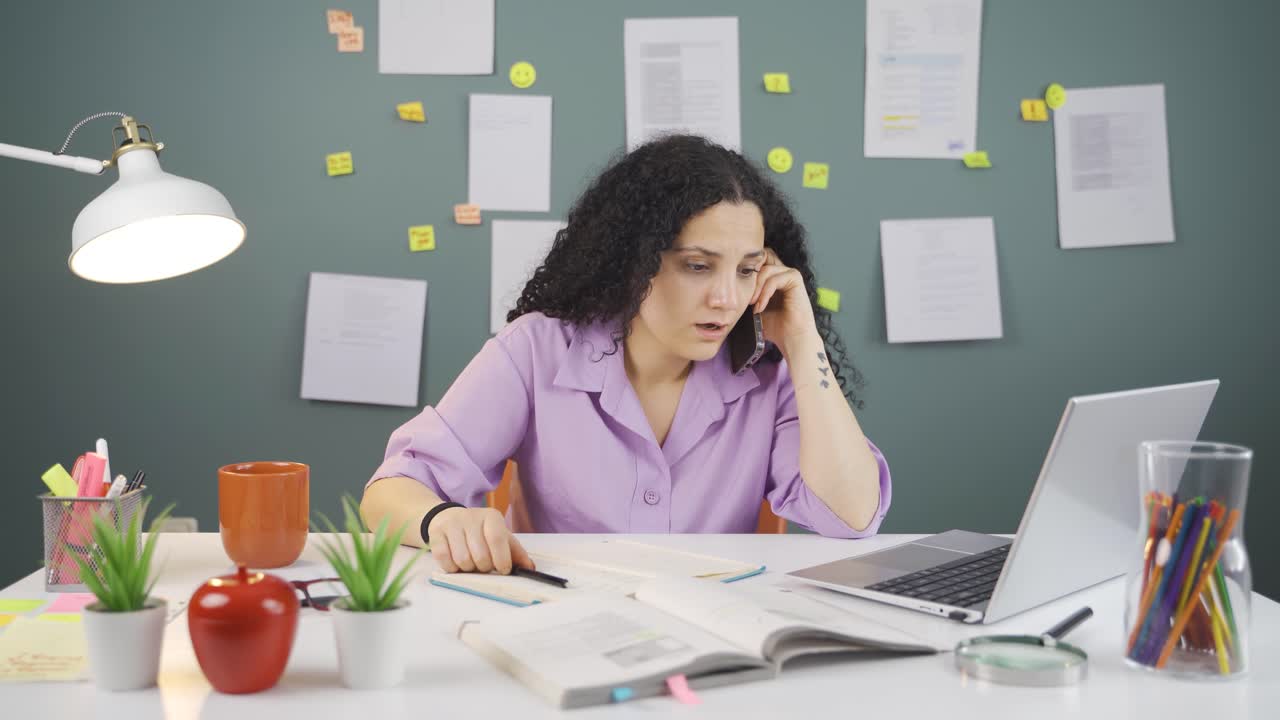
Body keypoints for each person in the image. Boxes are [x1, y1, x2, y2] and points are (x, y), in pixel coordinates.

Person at [361, 134, 891, 575]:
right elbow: (390, 492)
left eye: (747, 269)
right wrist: (441, 521)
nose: (727, 298)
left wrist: (802, 341)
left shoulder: (768, 374)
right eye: (698, 266)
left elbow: (851, 516)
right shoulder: (538, 350)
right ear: (633, 263)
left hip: (713, 639)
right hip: (561, 623)